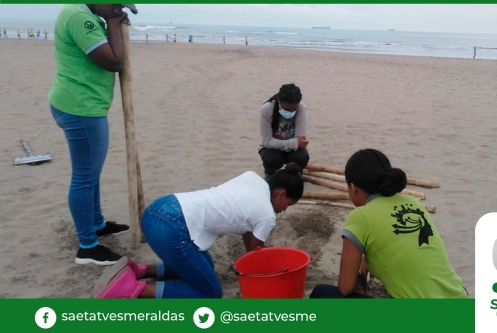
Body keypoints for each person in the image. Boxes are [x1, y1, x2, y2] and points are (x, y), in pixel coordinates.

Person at [93, 167, 305, 298]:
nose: (285, 209)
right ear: (281, 193)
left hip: (159, 209)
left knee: (207, 265)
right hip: (171, 230)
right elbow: (254, 251)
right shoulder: (267, 214)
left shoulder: (253, 179)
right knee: (211, 292)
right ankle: (135, 288)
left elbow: (247, 225)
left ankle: (142, 270)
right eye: (289, 204)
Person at [48, 4, 138, 266]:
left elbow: (111, 51)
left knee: (91, 172)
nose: (118, 9)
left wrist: (113, 24)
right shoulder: (78, 17)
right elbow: (113, 61)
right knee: (85, 177)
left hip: (85, 104)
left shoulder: (87, 15)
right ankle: (88, 246)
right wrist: (112, 23)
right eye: (115, 4)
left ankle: (96, 223)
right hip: (80, 107)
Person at [310, 149, 467, 298]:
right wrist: (368, 259)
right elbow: (401, 245)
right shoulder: (413, 202)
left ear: (353, 188)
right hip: (460, 302)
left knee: (321, 292)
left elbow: (345, 287)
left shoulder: (360, 216)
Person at [259, 83, 309, 178]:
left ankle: (295, 175)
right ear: (279, 101)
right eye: (287, 109)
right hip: (272, 149)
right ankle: (270, 175)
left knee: (301, 157)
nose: (291, 112)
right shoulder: (266, 109)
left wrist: (296, 143)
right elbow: (267, 142)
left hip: (291, 149)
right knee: (272, 160)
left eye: (294, 109)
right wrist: (295, 143)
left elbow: (300, 139)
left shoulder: (302, 108)